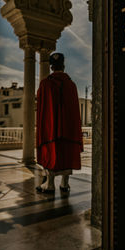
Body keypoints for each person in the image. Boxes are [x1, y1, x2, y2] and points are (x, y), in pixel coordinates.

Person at [35, 52, 83, 193]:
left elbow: (42, 111)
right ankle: (65, 183)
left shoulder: (45, 84)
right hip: (68, 130)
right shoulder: (71, 85)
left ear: (51, 67)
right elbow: (75, 112)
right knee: (67, 153)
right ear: (63, 65)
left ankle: (50, 184)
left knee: (52, 153)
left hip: (51, 130)